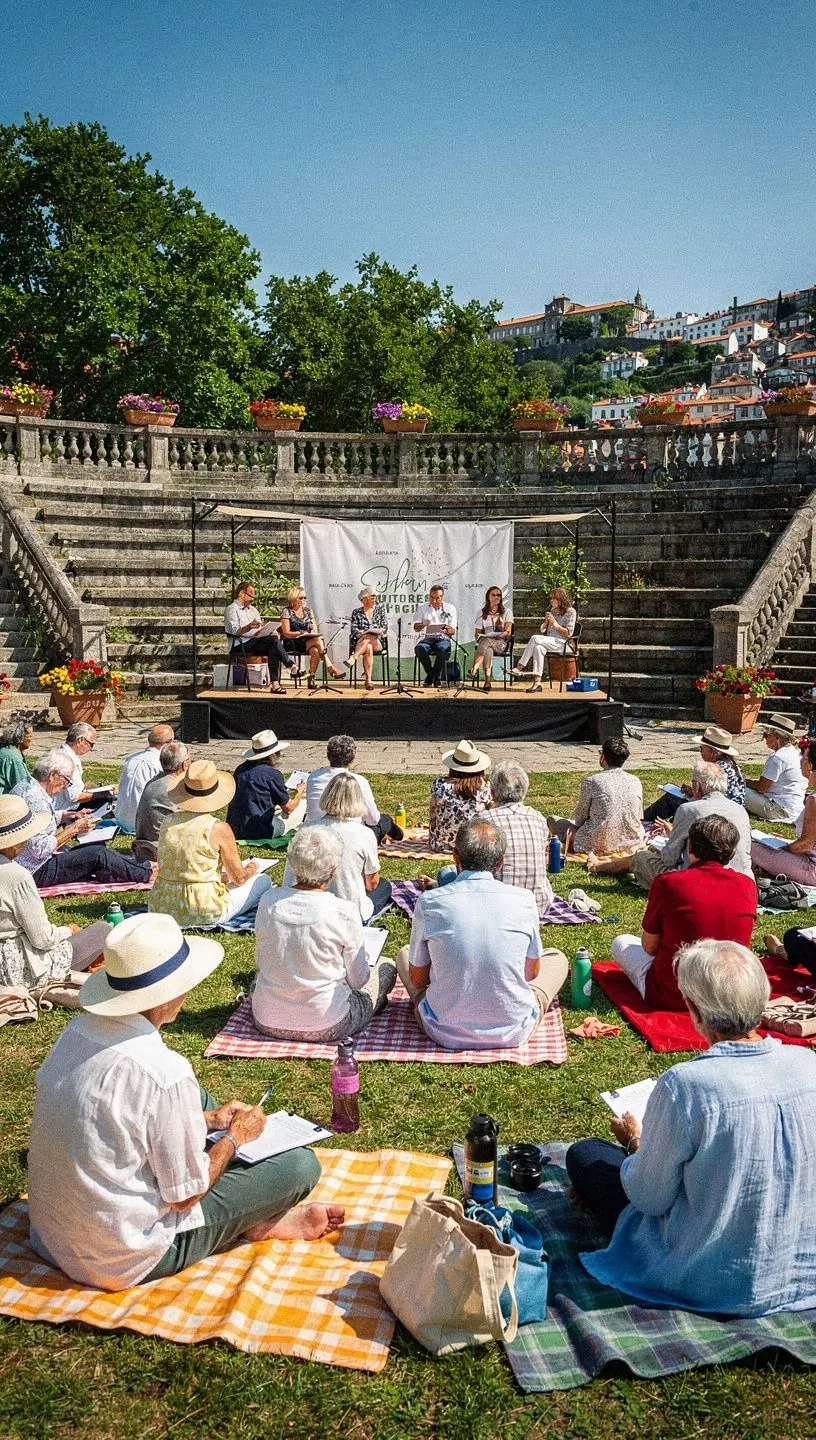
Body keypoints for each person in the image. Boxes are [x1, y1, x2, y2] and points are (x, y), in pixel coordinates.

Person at [27, 913, 342, 1291]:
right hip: (123, 1255)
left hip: (51, 1237)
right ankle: (250, 1221)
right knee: (299, 1167)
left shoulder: (75, 1032)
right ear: (167, 994)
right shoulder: (164, 1071)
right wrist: (234, 1139)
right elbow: (185, 1197)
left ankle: (248, 1217)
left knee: (198, 1100)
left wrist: (208, 1120)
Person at [565, 940, 816, 1316]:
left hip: (710, 1276)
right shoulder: (807, 1063)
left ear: (695, 1010)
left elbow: (648, 1198)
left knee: (585, 1155)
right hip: (796, 1268)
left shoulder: (686, 1085)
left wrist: (637, 1144)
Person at [395, 818, 568, 1050]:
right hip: (514, 1028)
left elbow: (418, 979)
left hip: (443, 1028)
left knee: (405, 954)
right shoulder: (524, 900)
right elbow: (531, 972)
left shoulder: (429, 902)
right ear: (500, 862)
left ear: (455, 857)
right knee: (556, 959)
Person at [252, 827, 397, 1040]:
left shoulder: (268, 901)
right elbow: (359, 980)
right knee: (386, 967)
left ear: (292, 863)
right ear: (332, 870)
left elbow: (260, 960)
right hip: (329, 1022)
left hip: (267, 1019)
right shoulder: (343, 911)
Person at [610, 816, 758, 1008]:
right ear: (731, 853)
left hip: (674, 994)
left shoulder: (668, 883)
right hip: (727, 993)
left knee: (621, 942)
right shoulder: (747, 885)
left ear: (690, 849)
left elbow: (649, 947)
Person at [0, 795, 111, 993]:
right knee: (103, 930)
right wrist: (66, 931)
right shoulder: (16, 876)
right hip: (15, 967)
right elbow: (42, 939)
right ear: (14, 844)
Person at [149, 760, 273, 927]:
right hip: (204, 910)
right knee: (263, 881)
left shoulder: (168, 821)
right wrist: (252, 867)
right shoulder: (218, 828)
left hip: (162, 905)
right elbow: (239, 878)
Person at [12, 751, 153, 890]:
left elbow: (37, 820)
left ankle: (115, 871)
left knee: (95, 847)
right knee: (98, 853)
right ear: (53, 775)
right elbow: (40, 849)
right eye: (67, 780)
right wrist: (74, 829)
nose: (66, 787)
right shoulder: (37, 800)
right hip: (36, 870)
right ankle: (146, 872)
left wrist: (67, 815)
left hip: (24, 863)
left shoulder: (26, 785)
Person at [604, 759, 752, 890]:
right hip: (740, 878)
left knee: (641, 857)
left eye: (693, 782)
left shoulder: (690, 809)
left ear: (698, 786)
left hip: (697, 880)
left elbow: (669, 859)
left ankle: (599, 867)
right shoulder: (740, 811)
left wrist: (672, 839)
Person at [284, 772, 390, 922]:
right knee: (384, 886)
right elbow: (372, 884)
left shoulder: (306, 828)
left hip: (305, 901)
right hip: (347, 911)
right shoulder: (363, 834)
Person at [548, 737, 644, 862]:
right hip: (631, 841)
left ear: (603, 757)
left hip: (598, 843)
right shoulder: (635, 781)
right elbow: (638, 815)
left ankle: (561, 840)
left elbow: (579, 819)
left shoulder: (592, 781)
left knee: (552, 820)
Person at [484, 759, 553, 915]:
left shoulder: (484, 821)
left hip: (495, 906)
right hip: (537, 905)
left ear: (493, 792)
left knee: (448, 874)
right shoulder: (539, 818)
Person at [305, 734, 402, 842]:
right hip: (349, 835)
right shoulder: (358, 781)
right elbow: (373, 820)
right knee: (384, 821)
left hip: (316, 832)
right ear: (352, 758)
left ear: (328, 755)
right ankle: (399, 835)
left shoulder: (313, 777)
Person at [644, 725, 745, 822]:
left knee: (671, 799)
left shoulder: (715, 769)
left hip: (717, 814)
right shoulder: (734, 767)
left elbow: (709, 801)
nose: (700, 752)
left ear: (712, 752)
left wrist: (694, 794)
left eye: (701, 748)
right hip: (734, 812)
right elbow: (714, 794)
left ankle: (642, 821)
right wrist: (692, 791)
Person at [752, 737, 816, 885]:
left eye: (803, 757)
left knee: (752, 847)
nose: (800, 760)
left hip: (811, 868)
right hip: (808, 856)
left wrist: (781, 849)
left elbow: (805, 844)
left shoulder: (814, 800)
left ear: (810, 764)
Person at [226, 730, 306, 841]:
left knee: (277, 809)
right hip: (259, 831)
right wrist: (299, 792)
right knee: (301, 806)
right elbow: (289, 808)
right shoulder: (272, 774)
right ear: (274, 754)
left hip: (235, 829)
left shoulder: (240, 770)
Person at [223, 580, 296, 695]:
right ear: (242, 593)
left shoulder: (253, 610)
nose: (253, 599)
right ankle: (290, 665)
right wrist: (248, 627)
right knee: (273, 642)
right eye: (251, 596)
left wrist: (270, 631)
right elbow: (235, 631)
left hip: (254, 641)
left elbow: (259, 628)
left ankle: (275, 684)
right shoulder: (231, 609)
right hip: (240, 644)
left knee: (273, 643)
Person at [428, 739, 491, 852]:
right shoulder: (485, 788)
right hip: (475, 846)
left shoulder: (440, 785)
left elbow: (432, 815)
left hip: (442, 845)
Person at [512, 587, 577, 694]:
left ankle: (520, 666)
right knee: (538, 648)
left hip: (564, 643)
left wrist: (554, 623)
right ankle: (537, 684)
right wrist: (547, 621)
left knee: (534, 638)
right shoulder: (553, 611)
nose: (551, 601)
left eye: (553, 598)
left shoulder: (571, 611)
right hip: (551, 641)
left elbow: (569, 633)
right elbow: (542, 630)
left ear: (560, 599)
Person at [134, 741, 190, 863]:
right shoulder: (174, 788)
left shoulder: (154, 781)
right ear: (185, 764)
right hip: (162, 851)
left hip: (143, 848)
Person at [744, 714, 807, 822]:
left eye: (766, 734)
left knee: (736, 787)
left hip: (780, 810)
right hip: (793, 807)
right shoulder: (795, 752)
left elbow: (762, 787)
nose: (764, 737)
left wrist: (743, 780)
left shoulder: (778, 757)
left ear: (777, 737)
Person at [279, 585, 344, 689]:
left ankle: (311, 678)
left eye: (305, 597)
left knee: (316, 651)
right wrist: (300, 633)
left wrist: (309, 632)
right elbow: (286, 632)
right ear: (294, 598)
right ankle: (329, 666)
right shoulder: (287, 611)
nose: (304, 600)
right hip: (293, 642)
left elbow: (314, 630)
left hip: (309, 641)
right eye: (301, 598)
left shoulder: (308, 611)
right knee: (318, 641)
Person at [115, 724, 175, 834]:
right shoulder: (160, 763)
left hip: (120, 818)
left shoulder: (131, 758)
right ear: (169, 743)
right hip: (142, 822)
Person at [53, 722, 113, 814]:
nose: (91, 749)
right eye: (91, 744)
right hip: (65, 808)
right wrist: (100, 795)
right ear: (80, 740)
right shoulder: (68, 761)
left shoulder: (59, 752)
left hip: (60, 803)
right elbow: (75, 797)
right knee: (109, 798)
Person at [413, 583, 457, 688]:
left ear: (442, 597)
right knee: (419, 648)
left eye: (437, 598)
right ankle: (433, 674)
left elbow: (452, 630)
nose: (434, 601)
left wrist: (443, 627)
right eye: (432, 597)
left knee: (443, 649)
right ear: (429, 596)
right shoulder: (422, 608)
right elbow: (415, 627)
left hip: (443, 639)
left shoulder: (450, 608)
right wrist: (423, 624)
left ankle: (433, 676)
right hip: (427, 640)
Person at [469, 586, 513, 692]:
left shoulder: (507, 612)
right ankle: (488, 681)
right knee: (487, 646)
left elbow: (508, 632)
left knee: (486, 641)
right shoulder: (481, 613)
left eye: (498, 595)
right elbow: (477, 633)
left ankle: (475, 667)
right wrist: (483, 635)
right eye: (493, 595)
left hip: (501, 643)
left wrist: (499, 634)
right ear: (488, 597)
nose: (496, 597)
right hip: (486, 643)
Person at [347, 587, 389, 691]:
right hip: (362, 642)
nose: (375, 598)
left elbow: (384, 628)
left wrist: (372, 631)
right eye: (373, 596)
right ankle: (368, 680)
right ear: (364, 599)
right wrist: (361, 633)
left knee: (369, 637)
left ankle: (354, 657)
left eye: (375, 596)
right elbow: (354, 631)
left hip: (378, 642)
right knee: (368, 647)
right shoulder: (356, 612)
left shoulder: (380, 609)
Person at [0, 718, 33, 795]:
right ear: (21, 738)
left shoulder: (8, 750)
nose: (32, 739)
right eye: (30, 736)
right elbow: (24, 787)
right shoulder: (12, 757)